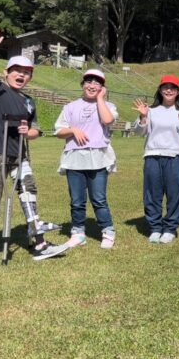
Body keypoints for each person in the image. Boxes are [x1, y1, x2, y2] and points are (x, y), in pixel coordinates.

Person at [0, 23, 68, 264]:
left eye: (26, 72)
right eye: (16, 70)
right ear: (7, 72)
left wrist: (29, 131)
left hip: (19, 156)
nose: (21, 75)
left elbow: (36, 129)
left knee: (29, 194)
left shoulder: (30, 102)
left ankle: (39, 243)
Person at [54, 69, 118, 249]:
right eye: (88, 82)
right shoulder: (70, 107)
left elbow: (107, 120)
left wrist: (100, 99)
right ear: (82, 85)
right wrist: (73, 130)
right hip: (74, 158)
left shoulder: (108, 106)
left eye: (97, 83)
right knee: (77, 199)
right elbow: (59, 130)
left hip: (97, 157)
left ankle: (107, 231)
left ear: (102, 88)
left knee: (98, 198)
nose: (92, 86)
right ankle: (78, 232)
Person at [133, 74, 179, 244]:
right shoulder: (151, 111)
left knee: (174, 194)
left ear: (178, 92)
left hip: (175, 157)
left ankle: (170, 228)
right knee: (152, 194)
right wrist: (142, 117)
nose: (169, 90)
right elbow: (139, 132)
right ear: (160, 90)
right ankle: (155, 227)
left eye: (173, 87)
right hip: (153, 155)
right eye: (165, 87)